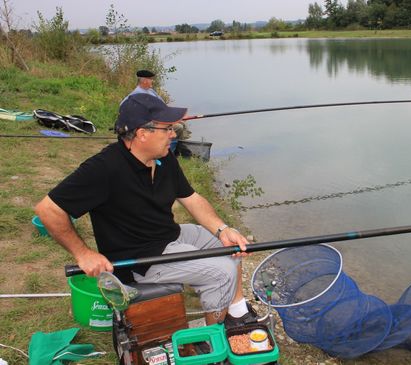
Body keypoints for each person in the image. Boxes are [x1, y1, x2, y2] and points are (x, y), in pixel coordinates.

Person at [34, 93, 255, 327]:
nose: (173, 134)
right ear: (142, 133)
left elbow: (190, 197)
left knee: (230, 244)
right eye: (167, 129)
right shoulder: (104, 169)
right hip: (139, 259)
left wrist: (222, 229)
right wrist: (83, 254)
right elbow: (47, 209)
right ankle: (213, 343)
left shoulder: (163, 156)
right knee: (221, 273)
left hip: (168, 235)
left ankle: (238, 312)